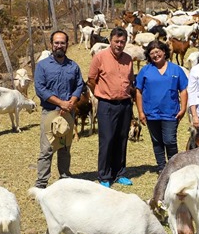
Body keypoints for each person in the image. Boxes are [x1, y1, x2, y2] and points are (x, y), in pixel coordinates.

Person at [34, 30, 84, 189]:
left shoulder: (73, 66)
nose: (59, 46)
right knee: (47, 149)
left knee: (65, 147)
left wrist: (72, 101)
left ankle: (64, 179)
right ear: (51, 45)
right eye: (56, 43)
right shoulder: (42, 66)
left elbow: (79, 85)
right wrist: (61, 103)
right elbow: (40, 89)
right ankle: (41, 184)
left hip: (68, 112)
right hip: (50, 112)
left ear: (67, 45)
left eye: (62, 43)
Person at [88, 27, 135, 188]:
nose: (119, 44)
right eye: (117, 41)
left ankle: (119, 173)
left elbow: (130, 80)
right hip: (107, 104)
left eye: (122, 42)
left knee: (121, 139)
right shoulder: (100, 57)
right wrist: (101, 92)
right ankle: (104, 175)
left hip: (125, 104)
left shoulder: (128, 59)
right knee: (107, 139)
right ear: (110, 40)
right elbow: (91, 79)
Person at [135, 40, 188, 174]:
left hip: (170, 112)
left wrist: (183, 108)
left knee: (170, 140)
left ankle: (174, 168)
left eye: (158, 51)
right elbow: (138, 91)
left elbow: (183, 90)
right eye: (152, 53)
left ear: (164, 52)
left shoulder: (176, 69)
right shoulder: (145, 70)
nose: (155, 55)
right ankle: (162, 168)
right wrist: (140, 111)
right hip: (151, 113)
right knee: (157, 141)